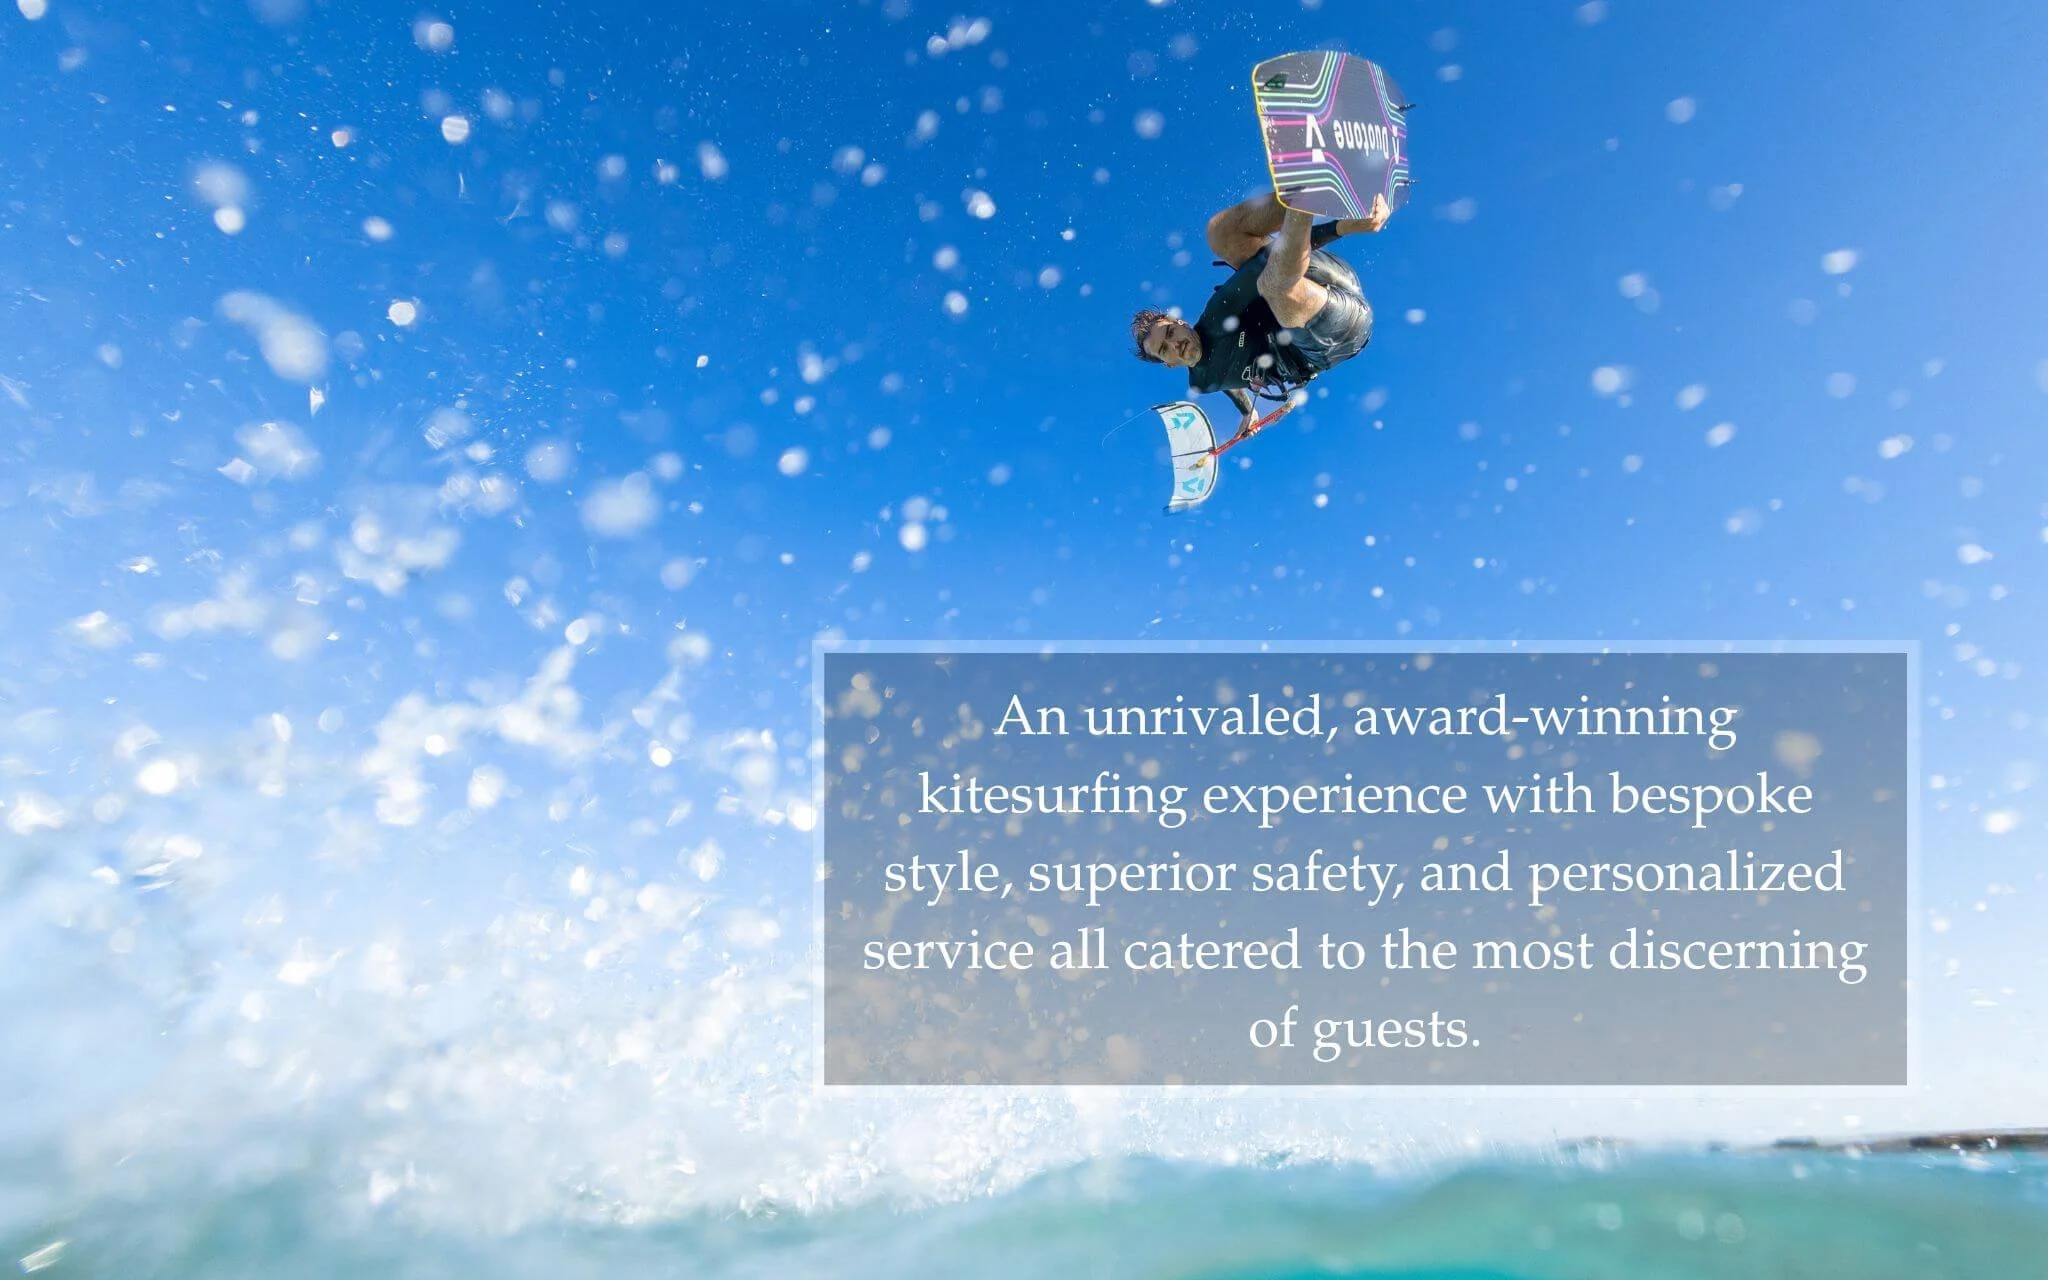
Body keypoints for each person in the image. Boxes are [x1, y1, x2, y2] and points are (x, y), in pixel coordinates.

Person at [1132, 189, 1390, 441]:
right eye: (1165, 350)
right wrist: (1248, 411)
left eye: (1170, 332)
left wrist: (1340, 228)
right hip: (1336, 334)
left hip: (1326, 276)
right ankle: (1305, 197)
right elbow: (1225, 381)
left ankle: (1309, 191)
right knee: (1273, 285)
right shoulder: (1202, 381)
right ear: (1170, 364)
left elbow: (1268, 257)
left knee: (1219, 233)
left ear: (1182, 324)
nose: (1175, 344)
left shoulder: (1217, 315)